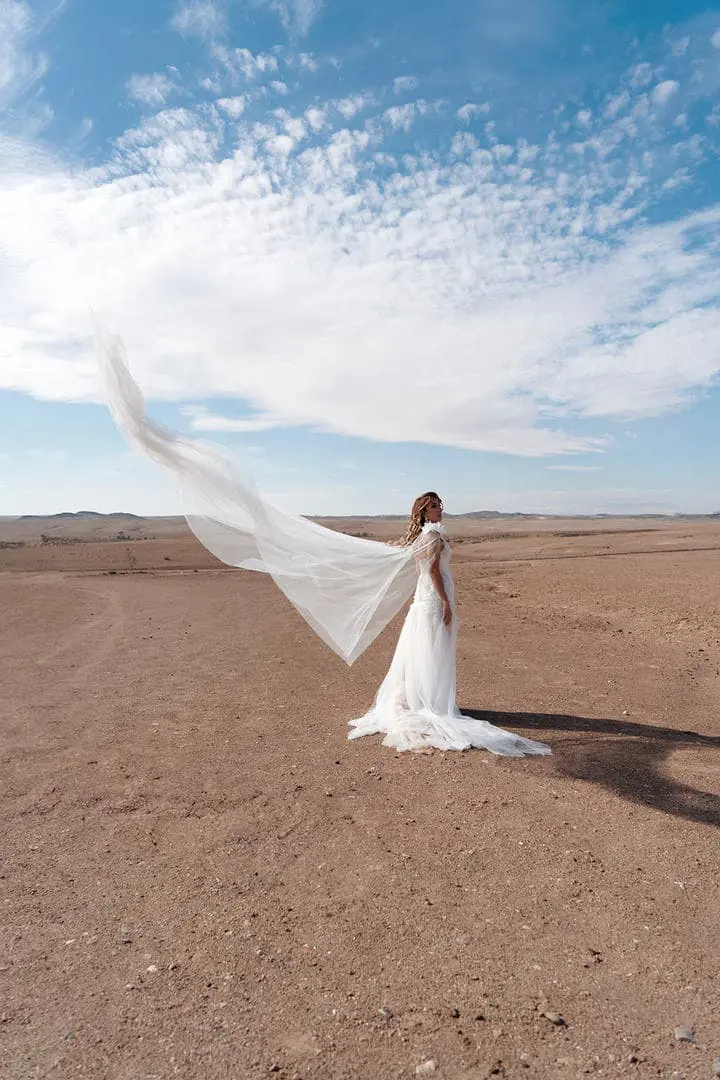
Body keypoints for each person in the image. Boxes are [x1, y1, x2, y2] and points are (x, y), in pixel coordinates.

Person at [349, 492, 552, 756]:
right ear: (424, 512)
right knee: (435, 648)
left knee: (422, 647)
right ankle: (431, 703)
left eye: (439, 505)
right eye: (434, 506)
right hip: (433, 598)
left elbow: (422, 571)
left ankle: (421, 698)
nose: (439, 510)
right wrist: (445, 601)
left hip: (423, 597)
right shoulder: (433, 537)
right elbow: (433, 570)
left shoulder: (421, 537)